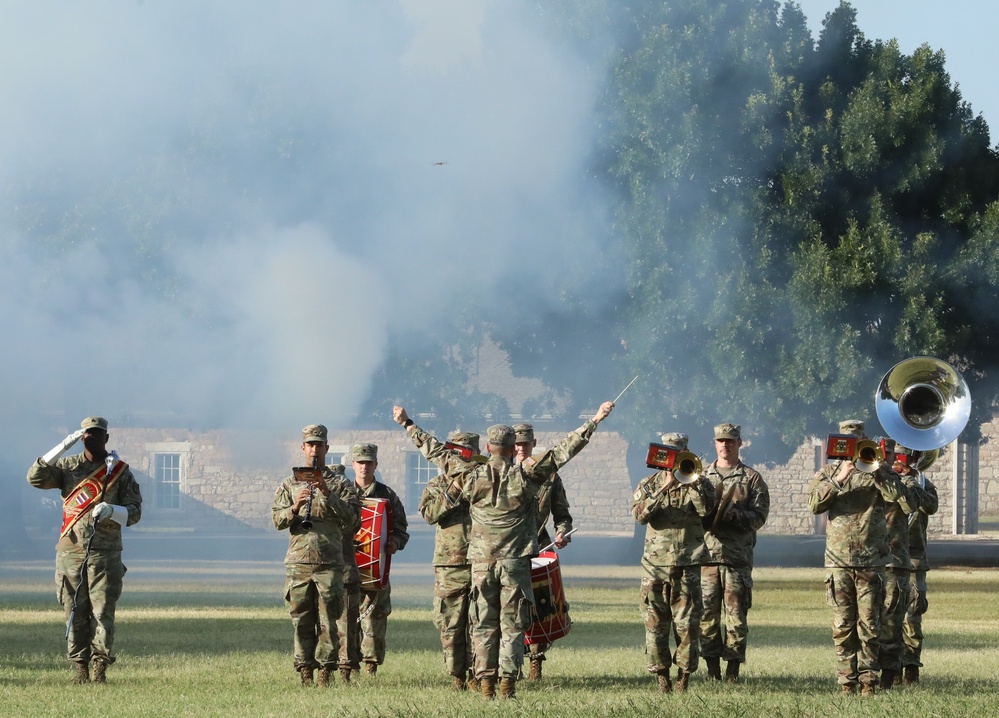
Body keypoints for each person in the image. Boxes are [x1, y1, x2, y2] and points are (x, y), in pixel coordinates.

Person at [394, 400, 615, 700]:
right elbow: (564, 450)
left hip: (481, 564)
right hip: (514, 563)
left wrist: (408, 424)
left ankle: (485, 686)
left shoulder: (470, 477)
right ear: (512, 449)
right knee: (512, 626)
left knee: (483, 625)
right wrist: (595, 420)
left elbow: (435, 451)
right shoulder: (525, 475)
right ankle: (507, 685)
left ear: (488, 446)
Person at [26, 416, 143, 684]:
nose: (91, 438)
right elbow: (35, 478)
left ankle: (100, 667)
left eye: (97, 433)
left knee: (102, 611)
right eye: (86, 434)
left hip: (105, 552)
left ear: (107, 437)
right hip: (71, 551)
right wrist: (62, 446)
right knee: (73, 609)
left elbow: (135, 513)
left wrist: (114, 511)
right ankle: (79, 667)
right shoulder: (67, 467)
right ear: (81, 437)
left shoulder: (119, 472)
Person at [807, 419, 908, 697]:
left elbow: (900, 498)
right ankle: (846, 682)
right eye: (847, 443)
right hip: (838, 562)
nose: (853, 449)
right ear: (840, 444)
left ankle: (868, 682)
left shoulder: (879, 470)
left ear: (865, 442)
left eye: (858, 443)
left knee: (870, 625)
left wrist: (878, 471)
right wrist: (840, 476)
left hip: (871, 561)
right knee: (842, 625)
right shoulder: (828, 472)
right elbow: (815, 505)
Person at [271, 424, 362, 687]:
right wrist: (295, 506)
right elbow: (277, 520)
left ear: (327, 448)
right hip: (298, 563)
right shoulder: (289, 483)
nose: (314, 450)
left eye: (319, 445)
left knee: (329, 620)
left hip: (329, 562)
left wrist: (327, 493)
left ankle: (326, 669)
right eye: (310, 445)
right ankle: (305, 669)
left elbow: (354, 519)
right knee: (300, 619)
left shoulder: (340, 484)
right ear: (303, 448)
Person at [632, 431, 716, 694]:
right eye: (669, 453)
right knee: (656, 625)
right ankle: (662, 678)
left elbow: (706, 510)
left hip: (686, 564)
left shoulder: (700, 482)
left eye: (678, 453)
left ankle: (684, 678)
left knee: (688, 626)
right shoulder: (648, 483)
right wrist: (664, 487)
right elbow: (640, 516)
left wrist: (692, 483)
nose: (673, 459)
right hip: (654, 567)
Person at [699, 422, 770, 684]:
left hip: (736, 559)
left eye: (730, 440)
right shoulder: (702, 476)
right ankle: (712, 670)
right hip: (706, 558)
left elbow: (760, 516)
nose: (725, 445)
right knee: (706, 616)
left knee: (736, 618)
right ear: (714, 443)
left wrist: (735, 514)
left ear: (740, 443)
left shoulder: (751, 478)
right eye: (720, 441)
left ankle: (732, 672)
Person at [418, 431, 481, 691]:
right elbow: (430, 515)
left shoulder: (485, 482)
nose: (462, 459)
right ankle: (457, 676)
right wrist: (454, 489)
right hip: (450, 563)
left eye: (468, 453)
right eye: (458, 453)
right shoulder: (437, 484)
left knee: (481, 622)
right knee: (451, 623)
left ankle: (480, 675)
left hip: (482, 559)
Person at [513, 422, 574, 682]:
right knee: (511, 607)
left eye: (525, 444)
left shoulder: (549, 476)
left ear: (533, 444)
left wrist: (562, 532)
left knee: (541, 607)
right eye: (516, 444)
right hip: (510, 548)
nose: (521, 449)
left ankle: (535, 663)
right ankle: (510, 665)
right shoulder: (501, 472)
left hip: (539, 547)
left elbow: (562, 514)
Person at [346, 443, 409, 676]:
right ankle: (349, 665)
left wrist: (395, 544)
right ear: (353, 464)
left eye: (368, 462)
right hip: (348, 568)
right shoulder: (344, 493)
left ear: (375, 464)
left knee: (375, 617)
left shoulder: (387, 495)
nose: (364, 467)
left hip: (375, 568)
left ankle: (371, 666)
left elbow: (401, 529)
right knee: (347, 617)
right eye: (360, 462)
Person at [877, 441, 924, 689]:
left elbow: (917, 505)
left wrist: (907, 480)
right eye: (893, 457)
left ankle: (898, 672)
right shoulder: (871, 477)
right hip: (869, 561)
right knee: (868, 619)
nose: (897, 462)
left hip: (900, 561)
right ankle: (864, 675)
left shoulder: (908, 483)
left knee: (900, 620)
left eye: (902, 458)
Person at [897, 445, 939, 686]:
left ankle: (911, 670)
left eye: (908, 456)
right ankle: (889, 670)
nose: (903, 460)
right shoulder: (885, 479)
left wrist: (912, 481)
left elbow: (930, 506)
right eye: (900, 455)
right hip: (889, 559)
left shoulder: (923, 483)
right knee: (887, 617)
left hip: (914, 560)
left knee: (912, 617)